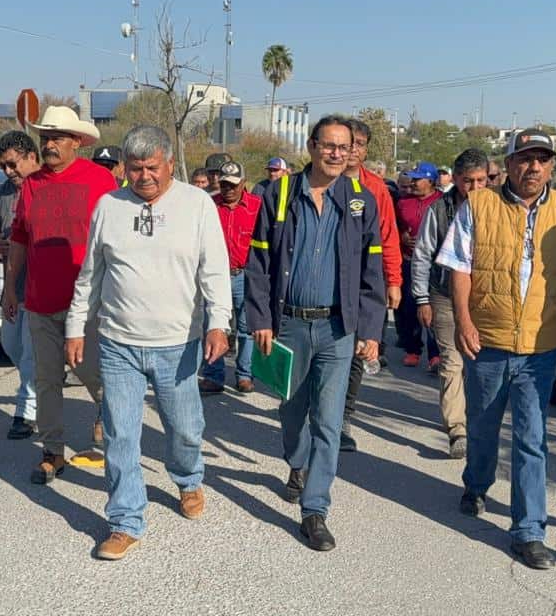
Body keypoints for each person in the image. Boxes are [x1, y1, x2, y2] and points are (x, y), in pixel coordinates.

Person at [66, 125, 232, 561]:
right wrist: (75, 327)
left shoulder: (197, 205)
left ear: (170, 164)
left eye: (152, 168)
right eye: (135, 169)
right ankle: (125, 520)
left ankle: (189, 478)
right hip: (119, 340)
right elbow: (92, 275)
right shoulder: (109, 207)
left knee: (184, 426)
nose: (144, 177)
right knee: (120, 433)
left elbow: (214, 270)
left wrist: (219, 324)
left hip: (178, 342)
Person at [436, 127, 556, 570]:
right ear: (510, 162)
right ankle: (477, 482)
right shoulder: (479, 205)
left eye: (542, 159)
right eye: (524, 158)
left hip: (540, 346)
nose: (533, 167)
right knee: (482, 425)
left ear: (552, 165)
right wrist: (463, 320)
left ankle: (529, 530)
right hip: (488, 341)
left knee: (532, 438)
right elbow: (460, 268)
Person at [246, 115, 386, 551]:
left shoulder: (361, 201)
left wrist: (371, 327)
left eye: (344, 147)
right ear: (311, 146)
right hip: (288, 323)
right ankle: (297, 461)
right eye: (329, 146)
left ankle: (315, 509)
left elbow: (371, 269)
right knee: (291, 413)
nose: (337, 154)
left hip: (338, 329)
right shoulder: (279, 193)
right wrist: (261, 321)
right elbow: (258, 265)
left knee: (329, 419)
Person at [2, 105, 116, 484]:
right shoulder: (32, 185)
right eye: (45, 138)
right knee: (46, 380)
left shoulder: (100, 180)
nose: (49, 145)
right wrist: (9, 288)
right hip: (40, 303)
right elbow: (19, 239)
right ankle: (53, 451)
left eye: (57, 138)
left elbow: (117, 241)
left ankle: (117, 440)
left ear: (77, 142)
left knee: (97, 378)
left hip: (87, 307)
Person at [413, 148, 489, 459]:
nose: (474, 188)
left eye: (481, 181)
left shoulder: (499, 208)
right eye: (467, 181)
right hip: (444, 295)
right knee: (452, 362)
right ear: (455, 179)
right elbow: (422, 255)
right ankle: (457, 429)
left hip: (485, 299)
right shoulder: (439, 210)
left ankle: (481, 423)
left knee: (482, 363)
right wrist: (421, 298)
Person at [338, 119, 403, 453]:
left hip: (363, 284)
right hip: (324, 283)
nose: (353, 150)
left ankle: (343, 419)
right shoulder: (317, 180)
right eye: (349, 142)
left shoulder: (376, 189)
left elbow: (388, 237)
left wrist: (394, 281)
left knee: (356, 354)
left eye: (360, 144)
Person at [0, 130, 40, 439]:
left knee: (31, 352)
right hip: (12, 285)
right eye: (4, 165)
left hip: (41, 285)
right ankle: (42, 385)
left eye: (13, 164)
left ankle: (26, 412)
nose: (9, 171)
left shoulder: (45, 186)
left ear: (32, 157)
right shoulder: (5, 191)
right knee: (11, 345)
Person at [199, 160, 262, 395]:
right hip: (215, 276)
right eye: (224, 184)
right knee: (214, 325)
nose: (229, 189)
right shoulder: (209, 205)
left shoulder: (257, 206)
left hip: (245, 275)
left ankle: (244, 375)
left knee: (246, 328)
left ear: (243, 183)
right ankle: (213, 376)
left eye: (234, 185)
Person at [395, 161, 442, 369]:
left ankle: (435, 354)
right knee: (410, 307)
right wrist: (402, 237)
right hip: (409, 261)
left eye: (417, 179)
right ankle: (413, 349)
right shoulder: (403, 203)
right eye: (411, 179)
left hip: (435, 264)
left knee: (433, 309)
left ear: (430, 181)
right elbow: (393, 227)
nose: (412, 183)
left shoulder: (442, 201)